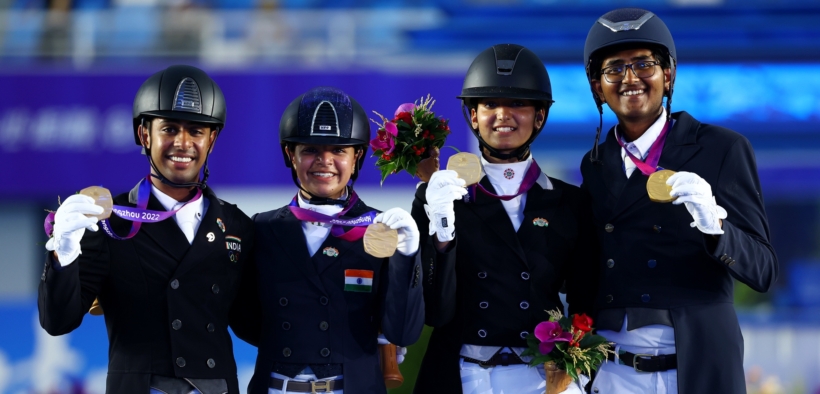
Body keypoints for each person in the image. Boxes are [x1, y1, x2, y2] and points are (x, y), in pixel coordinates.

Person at [580, 8, 779, 393]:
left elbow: (764, 271)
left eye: (644, 64)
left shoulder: (722, 149)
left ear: (667, 74)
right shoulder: (595, 164)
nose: (630, 78)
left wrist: (716, 227)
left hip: (693, 364)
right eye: (614, 69)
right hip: (613, 370)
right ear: (596, 87)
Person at [39, 65, 255, 394]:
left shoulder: (237, 226)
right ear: (144, 135)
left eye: (196, 131)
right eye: (169, 129)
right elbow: (58, 321)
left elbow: (256, 324)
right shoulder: (108, 222)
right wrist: (64, 253)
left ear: (211, 139)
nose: (183, 143)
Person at [411, 43, 599, 394]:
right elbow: (433, 311)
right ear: (473, 115)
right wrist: (441, 232)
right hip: (465, 372)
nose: (503, 115)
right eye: (490, 104)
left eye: (517, 104)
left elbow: (586, 299)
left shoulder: (571, 202)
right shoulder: (437, 196)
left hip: (543, 375)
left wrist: (579, 368)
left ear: (539, 116)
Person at [230, 86, 425, 394]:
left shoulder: (381, 231)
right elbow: (245, 321)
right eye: (310, 150)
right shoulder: (263, 229)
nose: (325, 161)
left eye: (338, 151)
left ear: (357, 155)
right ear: (290, 156)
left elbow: (404, 330)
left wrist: (407, 256)